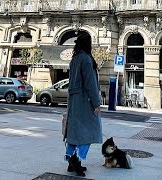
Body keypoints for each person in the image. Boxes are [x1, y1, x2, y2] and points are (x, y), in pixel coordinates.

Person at [64, 33, 102, 177]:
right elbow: (90, 83)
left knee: (74, 132)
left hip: (74, 101)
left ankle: (71, 161)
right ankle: (77, 161)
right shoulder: (86, 59)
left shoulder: (75, 59)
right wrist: (96, 103)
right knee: (89, 131)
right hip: (84, 101)